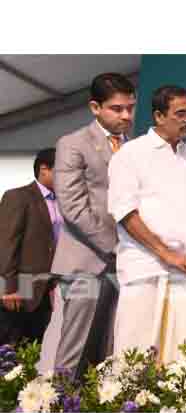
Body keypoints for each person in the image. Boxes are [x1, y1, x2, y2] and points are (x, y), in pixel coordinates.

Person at [107, 85, 186, 365]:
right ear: (159, 116)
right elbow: (125, 212)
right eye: (180, 113)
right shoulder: (130, 154)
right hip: (146, 267)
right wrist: (167, 254)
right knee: (136, 356)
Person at [44, 72, 135, 376]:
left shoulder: (135, 148)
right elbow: (73, 207)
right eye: (117, 109)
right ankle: (59, 400)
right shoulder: (73, 143)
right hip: (85, 261)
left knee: (110, 350)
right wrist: (116, 246)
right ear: (95, 107)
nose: (126, 115)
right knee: (75, 352)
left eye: (130, 108)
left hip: (126, 264)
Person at [0, 149, 59, 346]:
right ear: (44, 169)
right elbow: (6, 243)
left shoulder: (65, 201)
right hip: (22, 289)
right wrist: (7, 288)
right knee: (14, 349)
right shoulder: (19, 197)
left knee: (42, 349)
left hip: (51, 288)